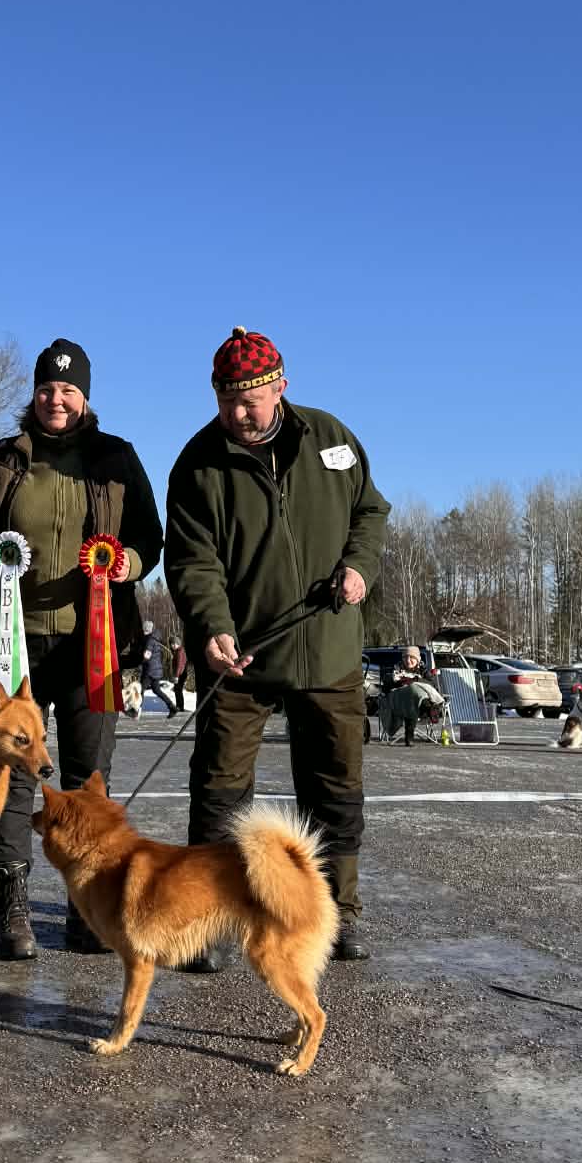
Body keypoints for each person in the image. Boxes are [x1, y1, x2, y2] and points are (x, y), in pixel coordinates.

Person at [166, 326, 390, 965]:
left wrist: (359, 566)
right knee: (219, 787)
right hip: (240, 657)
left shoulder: (332, 439)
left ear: (281, 388)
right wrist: (212, 626)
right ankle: (206, 920)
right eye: (228, 400)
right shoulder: (197, 464)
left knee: (335, 784)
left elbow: (370, 514)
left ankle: (335, 912)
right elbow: (191, 559)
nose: (240, 413)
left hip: (330, 648)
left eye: (252, 399)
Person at [0, 338, 163, 958]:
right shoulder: (6, 457)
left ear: (86, 397)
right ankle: (12, 913)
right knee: (17, 779)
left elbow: (150, 534)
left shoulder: (116, 457)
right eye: (47, 388)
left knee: (86, 778)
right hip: (16, 645)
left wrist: (129, 563)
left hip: (92, 641)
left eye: (69, 389)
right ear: (35, 393)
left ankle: (85, 911)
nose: (56, 399)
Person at [382, 646, 443, 746]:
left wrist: (415, 680)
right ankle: (430, 709)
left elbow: (432, 684)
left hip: (414, 705)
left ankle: (409, 736)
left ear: (417, 659)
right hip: (399, 702)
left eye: (411, 658)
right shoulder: (396, 669)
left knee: (415, 691)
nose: (408, 660)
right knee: (412, 690)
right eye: (406, 657)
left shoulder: (422, 670)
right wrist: (399, 682)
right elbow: (385, 687)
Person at [140, 621, 179, 715]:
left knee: (140, 689)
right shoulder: (156, 639)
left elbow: (147, 655)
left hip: (150, 671)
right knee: (157, 690)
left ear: (146, 629)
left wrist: (141, 659)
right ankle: (172, 707)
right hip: (156, 670)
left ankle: (136, 710)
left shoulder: (149, 640)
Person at [170, 636, 189, 711]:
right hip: (181, 674)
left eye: (175, 644)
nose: (173, 645)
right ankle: (179, 706)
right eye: (172, 644)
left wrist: (176, 676)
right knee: (178, 690)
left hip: (180, 674)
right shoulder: (178, 651)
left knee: (178, 690)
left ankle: (180, 707)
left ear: (179, 644)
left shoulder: (180, 652)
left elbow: (179, 665)